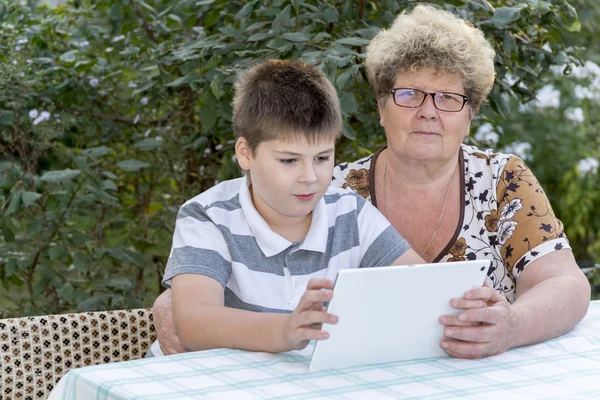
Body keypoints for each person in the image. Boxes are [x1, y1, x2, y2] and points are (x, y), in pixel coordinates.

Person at [152, 5, 591, 359]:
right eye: (408, 94)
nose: (427, 111)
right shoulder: (334, 188)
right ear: (381, 108)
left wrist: (503, 321)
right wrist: (184, 304)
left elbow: (562, 285)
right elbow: (202, 301)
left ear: (470, 114)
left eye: (448, 98)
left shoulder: (500, 180)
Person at [146, 59, 424, 357]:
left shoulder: (349, 213)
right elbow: (194, 324)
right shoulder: (208, 217)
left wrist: (464, 309)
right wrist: (285, 330)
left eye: (322, 158)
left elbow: (424, 286)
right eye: (289, 160)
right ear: (246, 153)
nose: (310, 177)